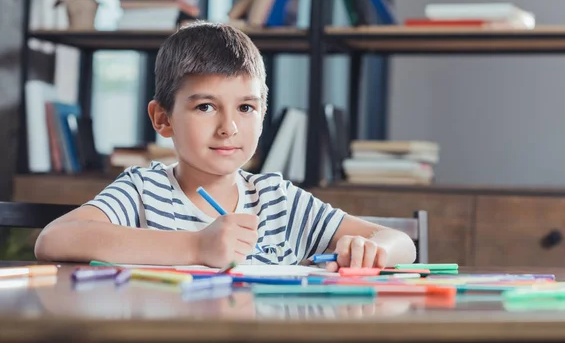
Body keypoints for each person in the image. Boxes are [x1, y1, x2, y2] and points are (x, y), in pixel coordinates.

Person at [35, 22, 416, 270]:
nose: (228, 127)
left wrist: (373, 250)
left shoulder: (276, 199)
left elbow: (402, 243)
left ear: (262, 114)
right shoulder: (143, 191)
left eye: (246, 107)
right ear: (162, 118)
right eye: (205, 107)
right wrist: (198, 248)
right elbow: (55, 239)